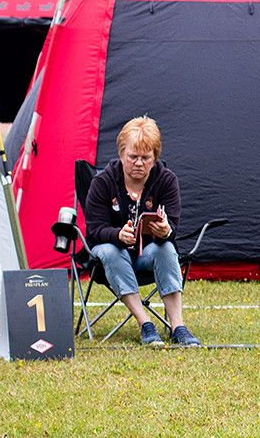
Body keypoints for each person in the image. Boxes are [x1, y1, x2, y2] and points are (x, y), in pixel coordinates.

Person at [83, 116, 201, 347]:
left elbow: (172, 228)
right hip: (111, 256)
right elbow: (94, 230)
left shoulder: (166, 180)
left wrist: (165, 231)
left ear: (155, 157)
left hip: (146, 255)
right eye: (132, 157)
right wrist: (117, 235)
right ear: (121, 154)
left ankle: (178, 326)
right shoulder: (102, 182)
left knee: (167, 248)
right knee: (110, 251)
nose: (139, 163)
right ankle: (145, 323)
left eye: (146, 158)